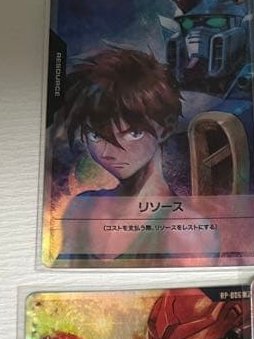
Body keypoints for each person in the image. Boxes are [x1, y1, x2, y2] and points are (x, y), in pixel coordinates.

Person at [56, 47, 220, 260]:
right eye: (96, 135)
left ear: (166, 128)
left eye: (133, 133)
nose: (108, 152)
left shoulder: (187, 231)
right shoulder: (82, 207)